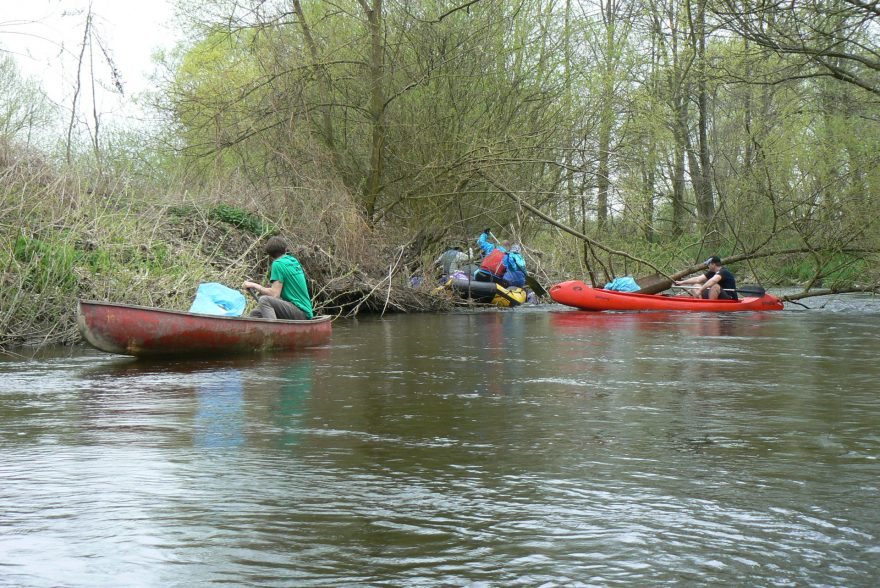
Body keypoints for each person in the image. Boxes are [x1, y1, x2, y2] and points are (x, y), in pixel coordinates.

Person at [243, 236, 315, 320]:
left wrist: (253, 285)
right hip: (304, 311)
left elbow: (275, 294)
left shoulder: (277, 264)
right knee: (256, 313)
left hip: (301, 312)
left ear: (269, 255)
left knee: (264, 300)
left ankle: (273, 330)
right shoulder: (293, 260)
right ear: (285, 249)